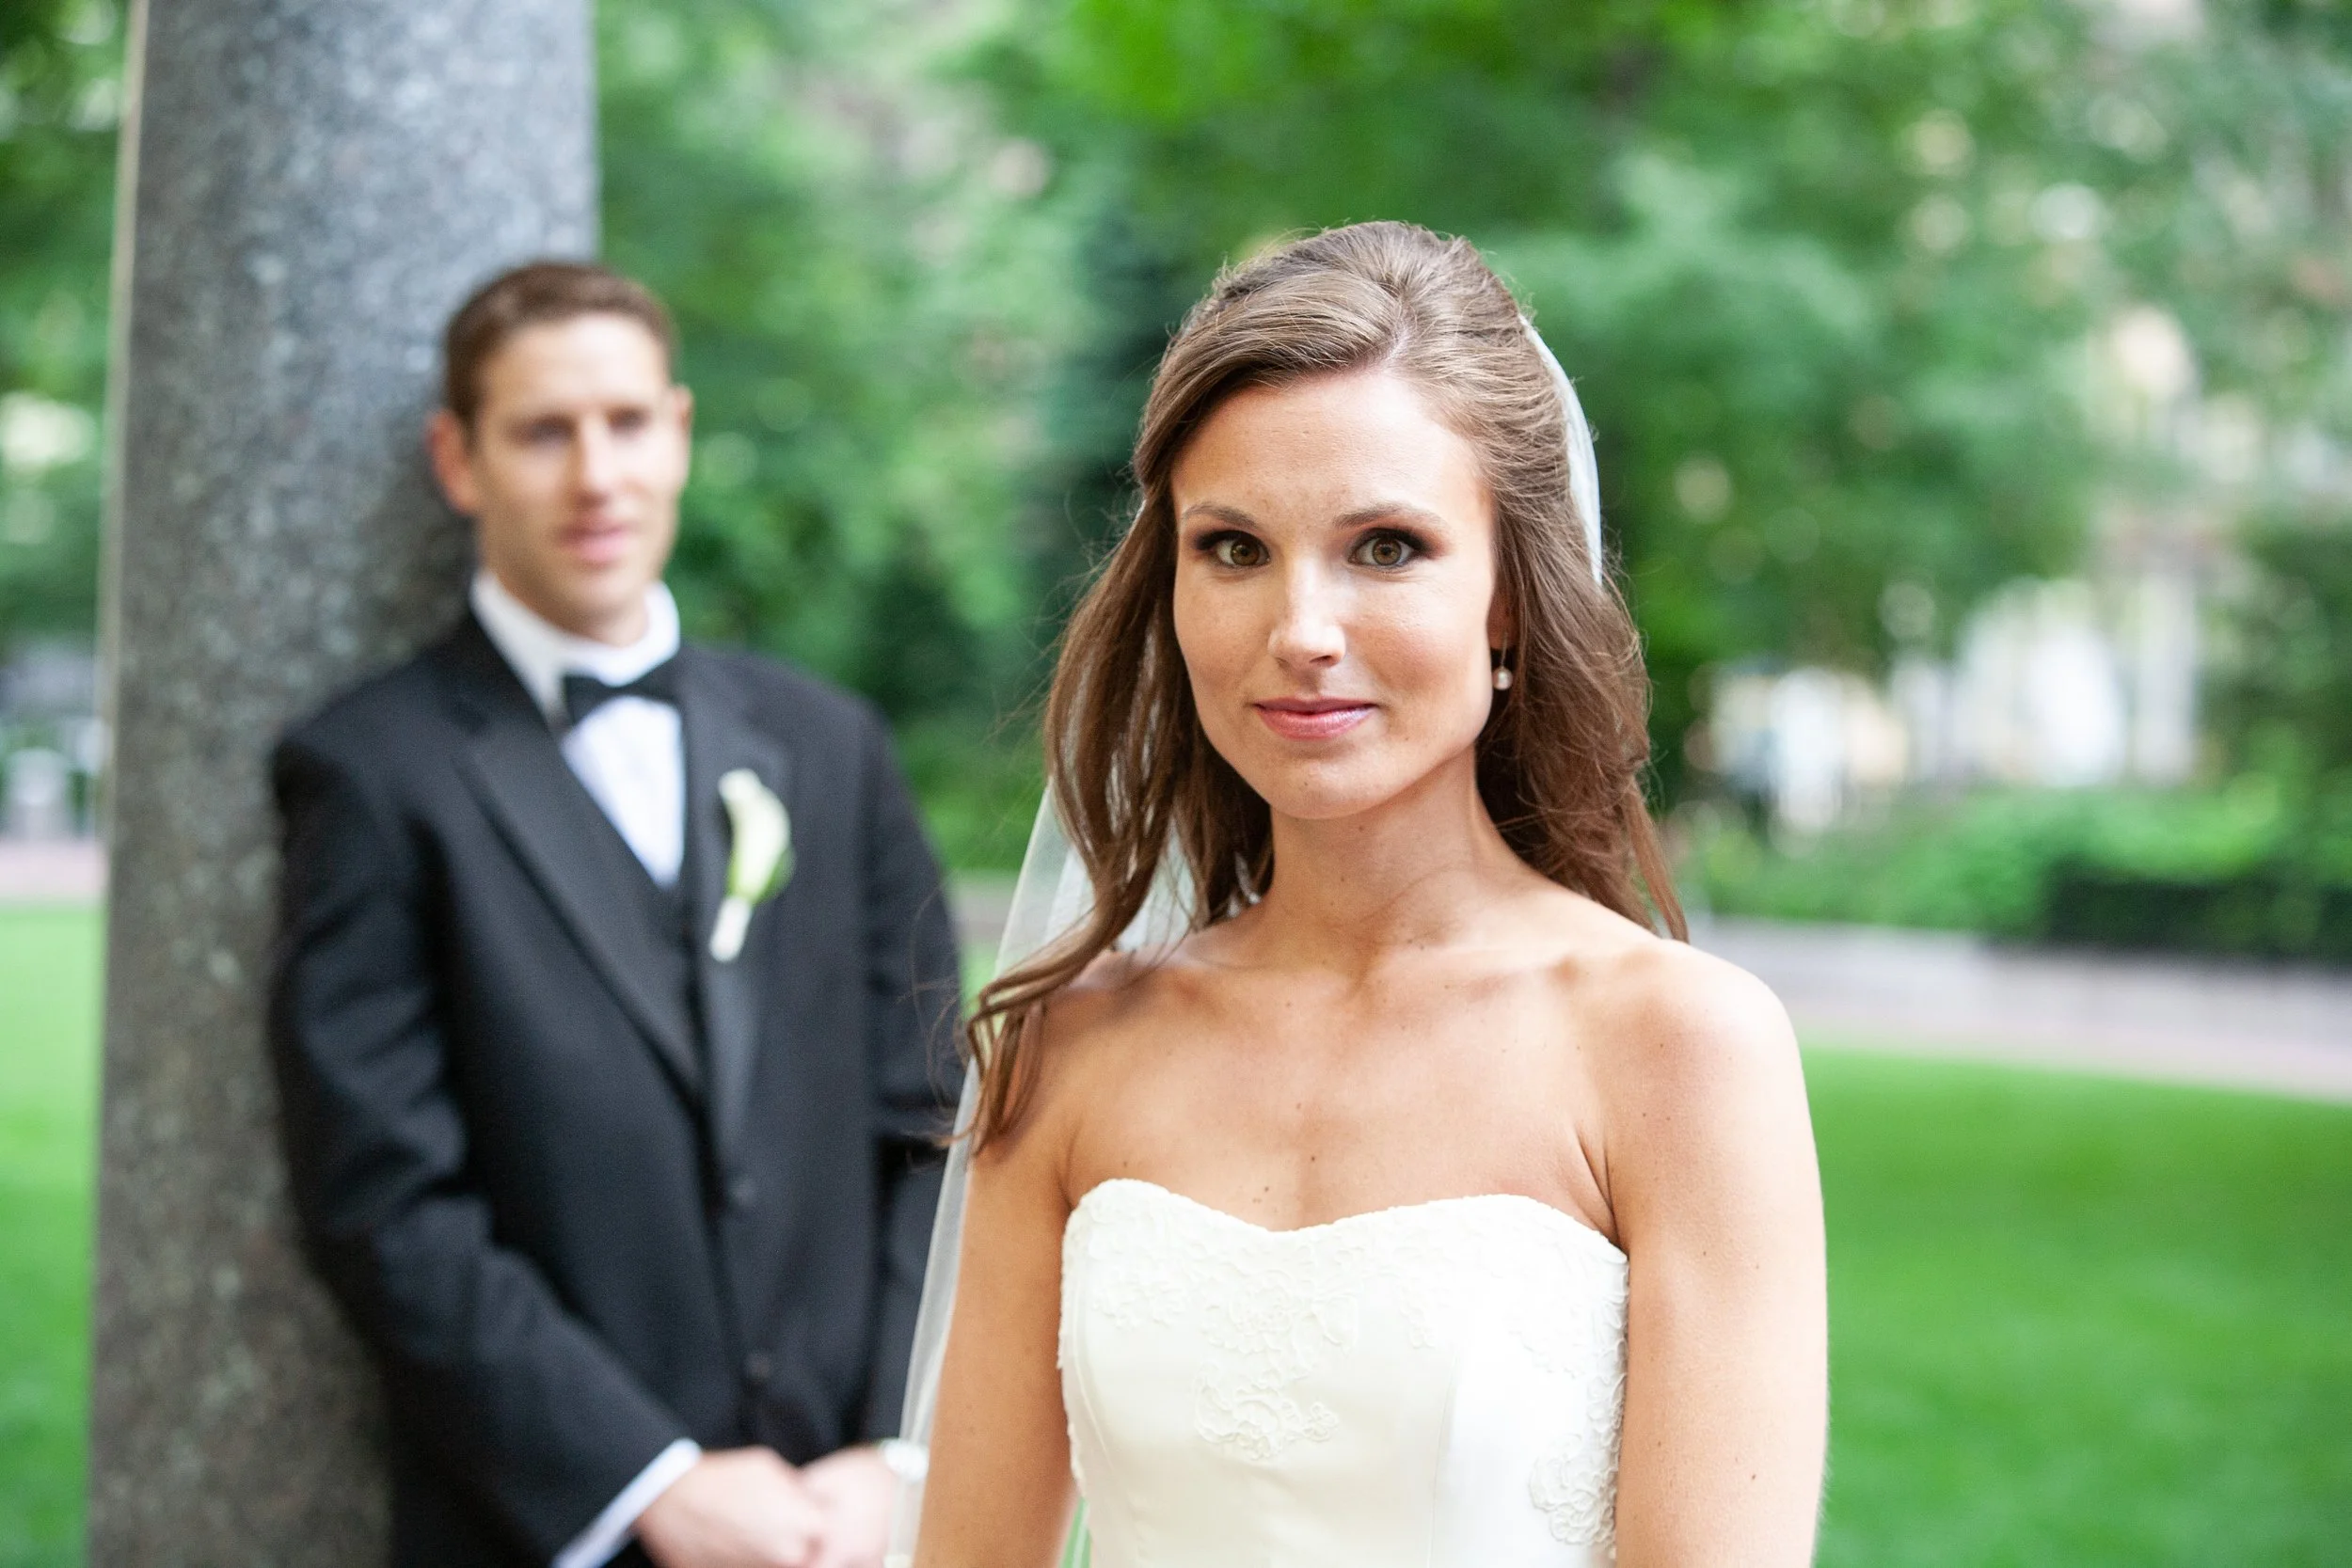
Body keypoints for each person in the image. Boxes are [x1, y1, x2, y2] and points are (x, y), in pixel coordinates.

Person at [906, 222, 1827, 1567]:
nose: (1301, 631)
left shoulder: (1677, 1047)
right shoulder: (1071, 1050)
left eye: (1386, 547)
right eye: (1232, 548)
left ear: (1510, 595)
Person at [269, 261, 959, 1568]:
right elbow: (381, 1199)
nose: (598, 475)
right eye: (542, 432)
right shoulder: (370, 772)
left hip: (851, 1520)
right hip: (553, 1528)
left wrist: (893, 1446)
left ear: (680, 433)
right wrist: (649, 1481)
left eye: (629, 423)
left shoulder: (828, 745)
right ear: (457, 460)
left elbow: (935, 1119)